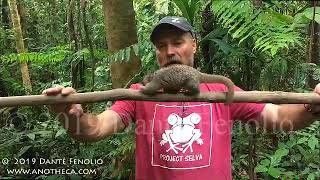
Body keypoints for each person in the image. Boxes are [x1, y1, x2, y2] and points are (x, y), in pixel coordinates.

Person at [42, 16, 320, 180]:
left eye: (177, 42)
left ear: (194, 45)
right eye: (162, 46)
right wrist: (71, 115)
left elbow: (278, 116)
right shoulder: (140, 92)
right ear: (156, 53)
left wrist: (311, 105)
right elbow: (99, 127)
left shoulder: (220, 92)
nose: (170, 51)